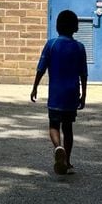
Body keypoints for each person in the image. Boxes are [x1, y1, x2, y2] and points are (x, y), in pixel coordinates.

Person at [30, 9, 88, 175]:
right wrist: (84, 95)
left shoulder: (51, 44)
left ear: (57, 26)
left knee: (54, 125)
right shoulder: (80, 47)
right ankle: (67, 161)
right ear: (75, 28)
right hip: (72, 94)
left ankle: (58, 147)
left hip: (55, 94)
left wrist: (35, 87)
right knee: (68, 128)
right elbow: (83, 74)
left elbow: (41, 68)